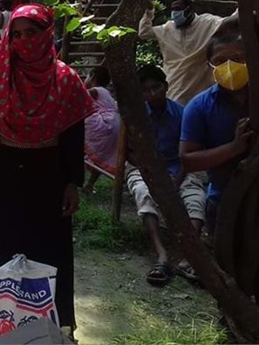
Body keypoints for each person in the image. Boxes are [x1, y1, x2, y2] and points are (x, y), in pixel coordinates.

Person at [0, 4, 93, 334]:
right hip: (2, 172)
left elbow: (74, 137)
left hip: (48, 177)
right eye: (15, 35)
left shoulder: (66, 80)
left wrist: (73, 183)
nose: (23, 41)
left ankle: (52, 325)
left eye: (31, 34)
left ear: (47, 34)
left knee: (48, 249)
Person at [128, 65, 207, 286]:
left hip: (179, 169)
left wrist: (177, 180)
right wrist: (150, 173)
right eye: (146, 90)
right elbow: (129, 153)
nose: (152, 93)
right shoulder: (136, 116)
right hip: (145, 170)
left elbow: (188, 155)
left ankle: (186, 259)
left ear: (166, 86)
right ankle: (161, 255)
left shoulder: (183, 114)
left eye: (156, 87)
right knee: (143, 194)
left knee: (196, 199)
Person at [180, 32, 251, 235]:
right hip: (223, 202)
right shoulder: (199, 106)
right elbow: (188, 161)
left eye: (238, 59)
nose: (230, 66)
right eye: (220, 61)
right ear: (210, 65)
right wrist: (234, 148)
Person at [139, 0, 231, 105]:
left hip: (200, 92)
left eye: (178, 8)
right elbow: (144, 32)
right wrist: (149, 12)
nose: (175, 13)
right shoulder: (167, 28)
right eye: (173, 9)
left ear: (190, 8)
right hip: (174, 88)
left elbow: (231, 21)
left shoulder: (207, 23)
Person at [83, 66, 121, 178]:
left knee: (80, 118)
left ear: (92, 77)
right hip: (115, 124)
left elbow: (80, 96)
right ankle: (90, 184)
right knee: (102, 156)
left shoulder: (96, 90)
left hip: (104, 123)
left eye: (87, 76)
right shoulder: (107, 92)